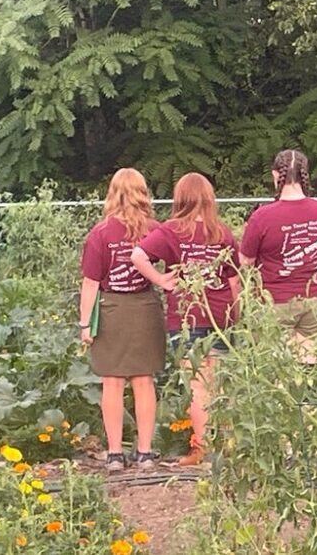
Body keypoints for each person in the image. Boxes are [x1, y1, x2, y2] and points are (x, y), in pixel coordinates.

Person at [131, 173, 240, 467]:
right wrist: (237, 314)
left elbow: (138, 255)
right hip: (221, 317)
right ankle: (226, 447)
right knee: (221, 385)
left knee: (198, 386)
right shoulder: (221, 233)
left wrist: (161, 281)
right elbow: (234, 280)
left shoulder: (171, 231)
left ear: (180, 198)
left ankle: (202, 449)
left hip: (186, 318)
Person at [77, 168, 165, 472]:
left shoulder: (100, 233)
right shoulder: (155, 229)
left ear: (112, 193)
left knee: (111, 382)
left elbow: (90, 282)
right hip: (145, 307)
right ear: (143, 192)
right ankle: (145, 453)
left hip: (112, 308)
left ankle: (114, 455)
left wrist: (85, 324)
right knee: (144, 380)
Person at [239, 150, 317, 364]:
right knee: (308, 366)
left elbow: (245, 261)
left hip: (275, 301)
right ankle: (306, 398)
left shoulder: (262, 216)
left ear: (275, 175)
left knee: (278, 370)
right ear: (305, 175)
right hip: (315, 300)